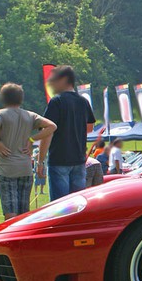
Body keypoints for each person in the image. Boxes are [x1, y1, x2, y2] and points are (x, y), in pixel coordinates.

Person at [0, 83, 57, 220]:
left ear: (3, 98)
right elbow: (52, 126)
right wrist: (32, 139)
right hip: (25, 168)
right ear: (21, 98)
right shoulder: (30, 115)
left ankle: (12, 233)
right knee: (24, 212)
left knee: (10, 211)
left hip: (6, 169)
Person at [40, 65, 96, 201]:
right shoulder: (83, 101)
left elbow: (47, 132)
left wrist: (40, 161)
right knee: (77, 204)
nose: (52, 84)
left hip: (59, 159)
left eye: (54, 80)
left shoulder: (56, 101)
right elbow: (90, 127)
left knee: (60, 205)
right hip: (79, 159)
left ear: (64, 80)